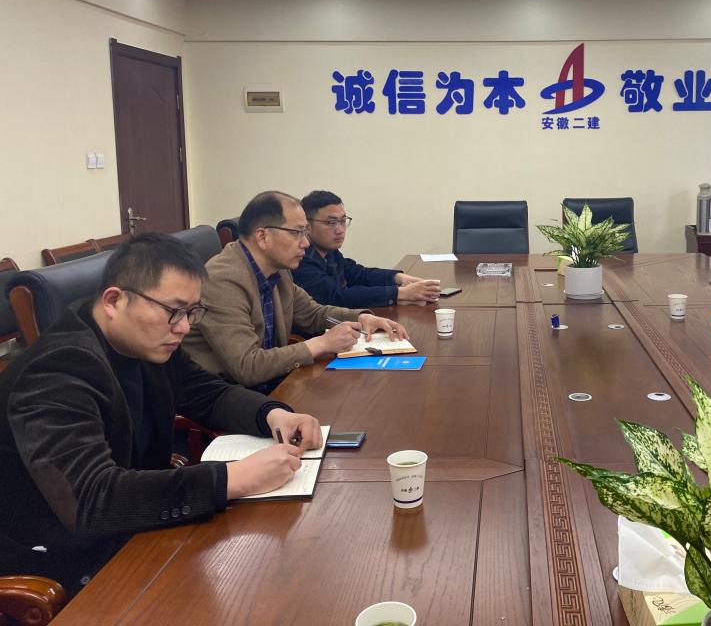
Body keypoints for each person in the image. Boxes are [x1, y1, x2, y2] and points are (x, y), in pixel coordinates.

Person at [0, 234, 323, 596]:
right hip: (58, 562)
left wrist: (272, 414)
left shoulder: (142, 342)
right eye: (174, 311)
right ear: (113, 300)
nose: (184, 327)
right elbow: (91, 501)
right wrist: (231, 479)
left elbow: (208, 393)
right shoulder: (57, 369)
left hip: (134, 526)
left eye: (191, 312)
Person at [184, 191, 408, 391]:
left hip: (272, 384)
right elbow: (247, 366)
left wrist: (361, 318)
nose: (306, 243)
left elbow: (312, 313)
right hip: (226, 397)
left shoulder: (277, 269)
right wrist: (321, 344)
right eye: (297, 233)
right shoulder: (222, 280)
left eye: (305, 232)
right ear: (262, 237)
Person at [294, 190, 441, 307]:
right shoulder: (300, 259)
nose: (340, 230)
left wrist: (399, 278)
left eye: (343, 221)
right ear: (307, 226)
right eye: (331, 222)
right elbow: (337, 296)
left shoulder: (330, 252)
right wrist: (400, 293)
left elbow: (359, 274)